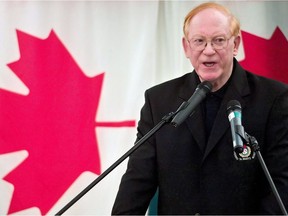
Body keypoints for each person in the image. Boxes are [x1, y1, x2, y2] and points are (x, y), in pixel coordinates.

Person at [112, 2, 288, 215]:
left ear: (235, 44)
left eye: (219, 40)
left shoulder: (273, 98)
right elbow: (137, 182)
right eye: (199, 41)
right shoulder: (159, 101)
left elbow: (282, 184)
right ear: (187, 47)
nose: (209, 51)